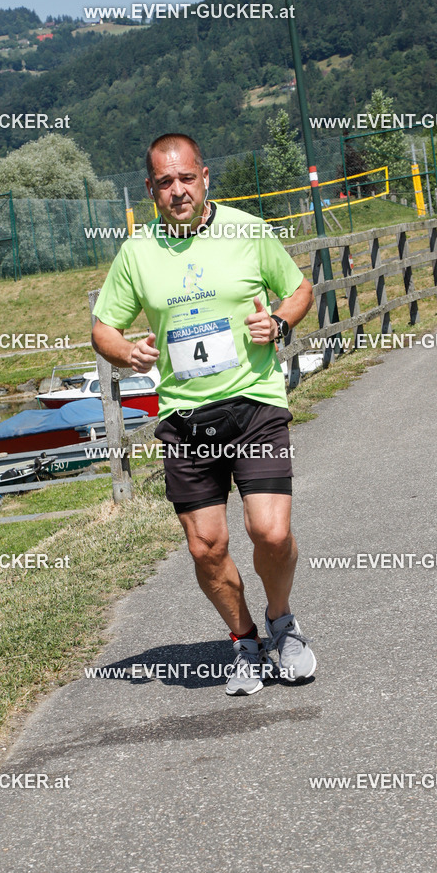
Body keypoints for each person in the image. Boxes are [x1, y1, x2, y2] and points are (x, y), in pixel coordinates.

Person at [92, 132, 317, 696]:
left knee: (269, 530)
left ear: (205, 177)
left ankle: (283, 624)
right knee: (205, 547)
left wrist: (281, 324)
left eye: (186, 178)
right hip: (185, 417)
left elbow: (299, 288)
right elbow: (103, 328)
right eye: (164, 183)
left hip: (254, 404)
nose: (177, 191)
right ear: (150, 189)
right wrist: (127, 351)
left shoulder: (247, 231)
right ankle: (243, 641)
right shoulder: (138, 252)